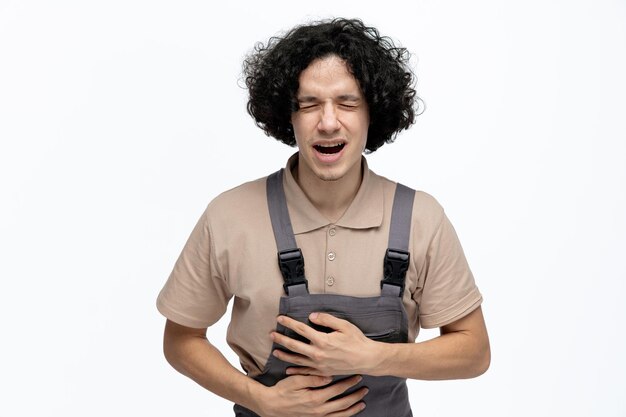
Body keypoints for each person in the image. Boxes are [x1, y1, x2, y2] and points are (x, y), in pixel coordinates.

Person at [157, 18, 490, 417]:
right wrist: (261, 399)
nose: (328, 121)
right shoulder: (230, 215)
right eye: (309, 104)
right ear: (289, 116)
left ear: (373, 112)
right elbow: (181, 339)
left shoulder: (421, 218)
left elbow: (474, 351)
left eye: (347, 103)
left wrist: (371, 355)